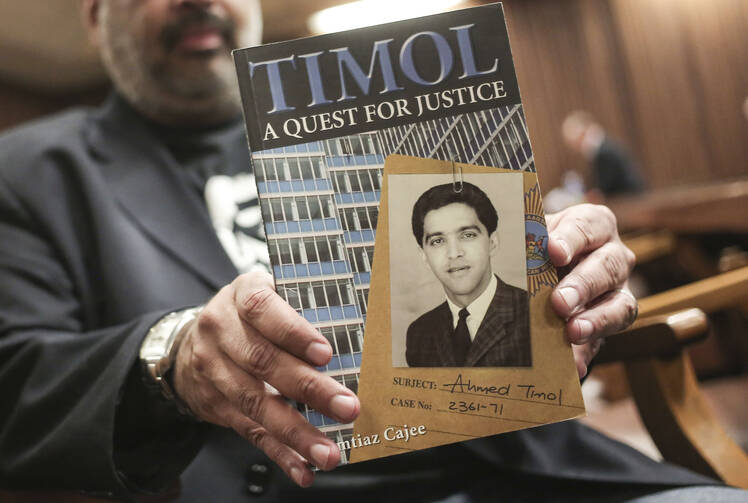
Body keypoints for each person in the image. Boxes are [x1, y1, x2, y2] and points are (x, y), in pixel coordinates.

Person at [0, 0, 745, 501]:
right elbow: (18, 381)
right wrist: (169, 356)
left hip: (525, 472)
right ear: (95, 19)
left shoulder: (350, 119)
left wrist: (573, 282)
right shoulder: (31, 173)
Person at [406, 182, 530, 367]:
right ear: (424, 254)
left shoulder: (532, 315)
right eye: (438, 241)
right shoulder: (419, 334)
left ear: (492, 242)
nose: (454, 253)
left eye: (467, 235)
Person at [561, 110, 646, 198]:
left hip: (629, 198)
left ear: (582, 134)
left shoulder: (604, 151)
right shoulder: (601, 146)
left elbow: (606, 185)